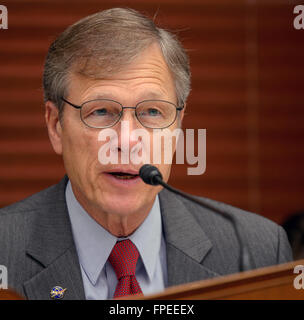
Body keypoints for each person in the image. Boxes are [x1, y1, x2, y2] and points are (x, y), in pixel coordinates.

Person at [0, 8, 292, 300]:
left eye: (153, 111)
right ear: (55, 126)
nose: (127, 141)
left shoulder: (258, 249)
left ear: (177, 125)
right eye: (100, 111)